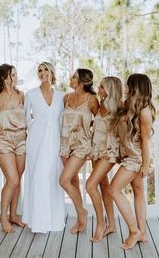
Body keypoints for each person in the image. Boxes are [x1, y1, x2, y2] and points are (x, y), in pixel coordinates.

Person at [109, 73, 155, 250]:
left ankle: (134, 230)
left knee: (114, 189)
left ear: (136, 87)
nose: (125, 87)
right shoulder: (125, 105)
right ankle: (142, 233)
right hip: (126, 155)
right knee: (137, 190)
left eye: (128, 85)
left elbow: (145, 141)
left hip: (135, 158)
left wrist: (145, 165)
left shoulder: (144, 112)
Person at [22, 62, 65, 233]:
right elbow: (25, 118)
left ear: (52, 72)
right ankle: (38, 221)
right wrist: (32, 133)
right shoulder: (31, 94)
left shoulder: (62, 96)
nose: (42, 72)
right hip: (36, 139)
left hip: (55, 137)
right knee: (38, 176)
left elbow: (62, 119)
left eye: (45, 69)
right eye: (39, 70)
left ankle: (53, 220)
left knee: (53, 177)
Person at [59, 69, 99, 234]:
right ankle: (81, 219)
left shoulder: (92, 100)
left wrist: (93, 141)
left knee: (63, 180)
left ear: (82, 81)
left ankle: (82, 212)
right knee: (73, 182)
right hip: (65, 145)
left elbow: (100, 121)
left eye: (74, 76)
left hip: (82, 145)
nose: (71, 78)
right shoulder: (66, 98)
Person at [0, 64, 26, 233]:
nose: (16, 77)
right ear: (5, 78)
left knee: (17, 179)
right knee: (13, 180)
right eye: (13, 74)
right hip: (3, 140)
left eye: (16, 74)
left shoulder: (21, 95)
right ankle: (3, 218)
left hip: (21, 139)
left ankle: (14, 215)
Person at [86, 76, 122, 242]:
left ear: (110, 90)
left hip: (109, 152)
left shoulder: (119, 108)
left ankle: (100, 224)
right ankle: (112, 224)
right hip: (96, 150)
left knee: (90, 185)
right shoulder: (99, 105)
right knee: (103, 185)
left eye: (101, 87)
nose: (98, 89)